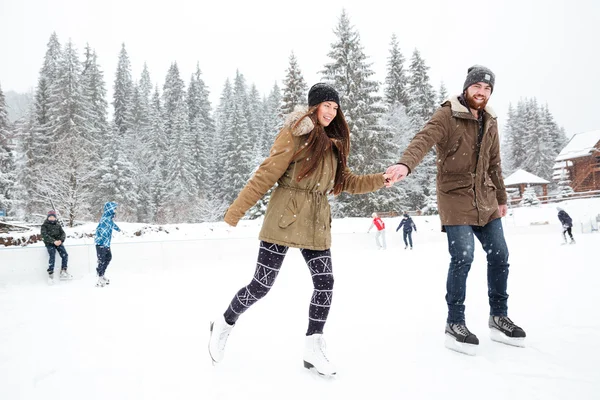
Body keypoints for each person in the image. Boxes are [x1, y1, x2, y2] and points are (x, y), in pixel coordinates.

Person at [208, 83, 391, 376]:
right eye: (326, 106)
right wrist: (235, 212)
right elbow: (265, 175)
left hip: (317, 222)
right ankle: (224, 323)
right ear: (314, 106)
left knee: (325, 283)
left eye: (335, 107)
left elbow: (347, 182)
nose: (331, 112)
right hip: (285, 218)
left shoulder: (334, 143)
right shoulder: (296, 134)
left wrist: (382, 179)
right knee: (261, 285)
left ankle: (313, 348)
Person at [386, 65, 526, 355]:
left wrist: (501, 197)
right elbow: (422, 140)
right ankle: (455, 322)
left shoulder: (490, 120)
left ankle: (499, 316)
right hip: (454, 197)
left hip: (485, 199)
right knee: (463, 256)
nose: (482, 92)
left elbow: (494, 163)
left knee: (500, 254)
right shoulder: (447, 114)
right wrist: (405, 164)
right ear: (467, 87)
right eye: (477, 87)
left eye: (487, 89)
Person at [40, 210, 71, 284]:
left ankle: (63, 270)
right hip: (50, 243)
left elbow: (63, 233)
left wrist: (61, 240)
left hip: (58, 242)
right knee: (52, 255)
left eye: (53, 217)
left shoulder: (58, 225)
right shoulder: (44, 225)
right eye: (50, 217)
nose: (51, 218)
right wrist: (53, 241)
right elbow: (44, 236)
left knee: (65, 255)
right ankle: (50, 273)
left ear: (55, 218)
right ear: (48, 218)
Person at [94, 202, 120, 287]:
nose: (115, 210)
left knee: (108, 258)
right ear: (109, 209)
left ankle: (101, 274)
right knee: (102, 260)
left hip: (106, 244)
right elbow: (103, 232)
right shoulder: (105, 219)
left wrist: (118, 229)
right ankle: (99, 277)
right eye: (114, 209)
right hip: (101, 243)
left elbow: (112, 225)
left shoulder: (109, 219)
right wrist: (105, 245)